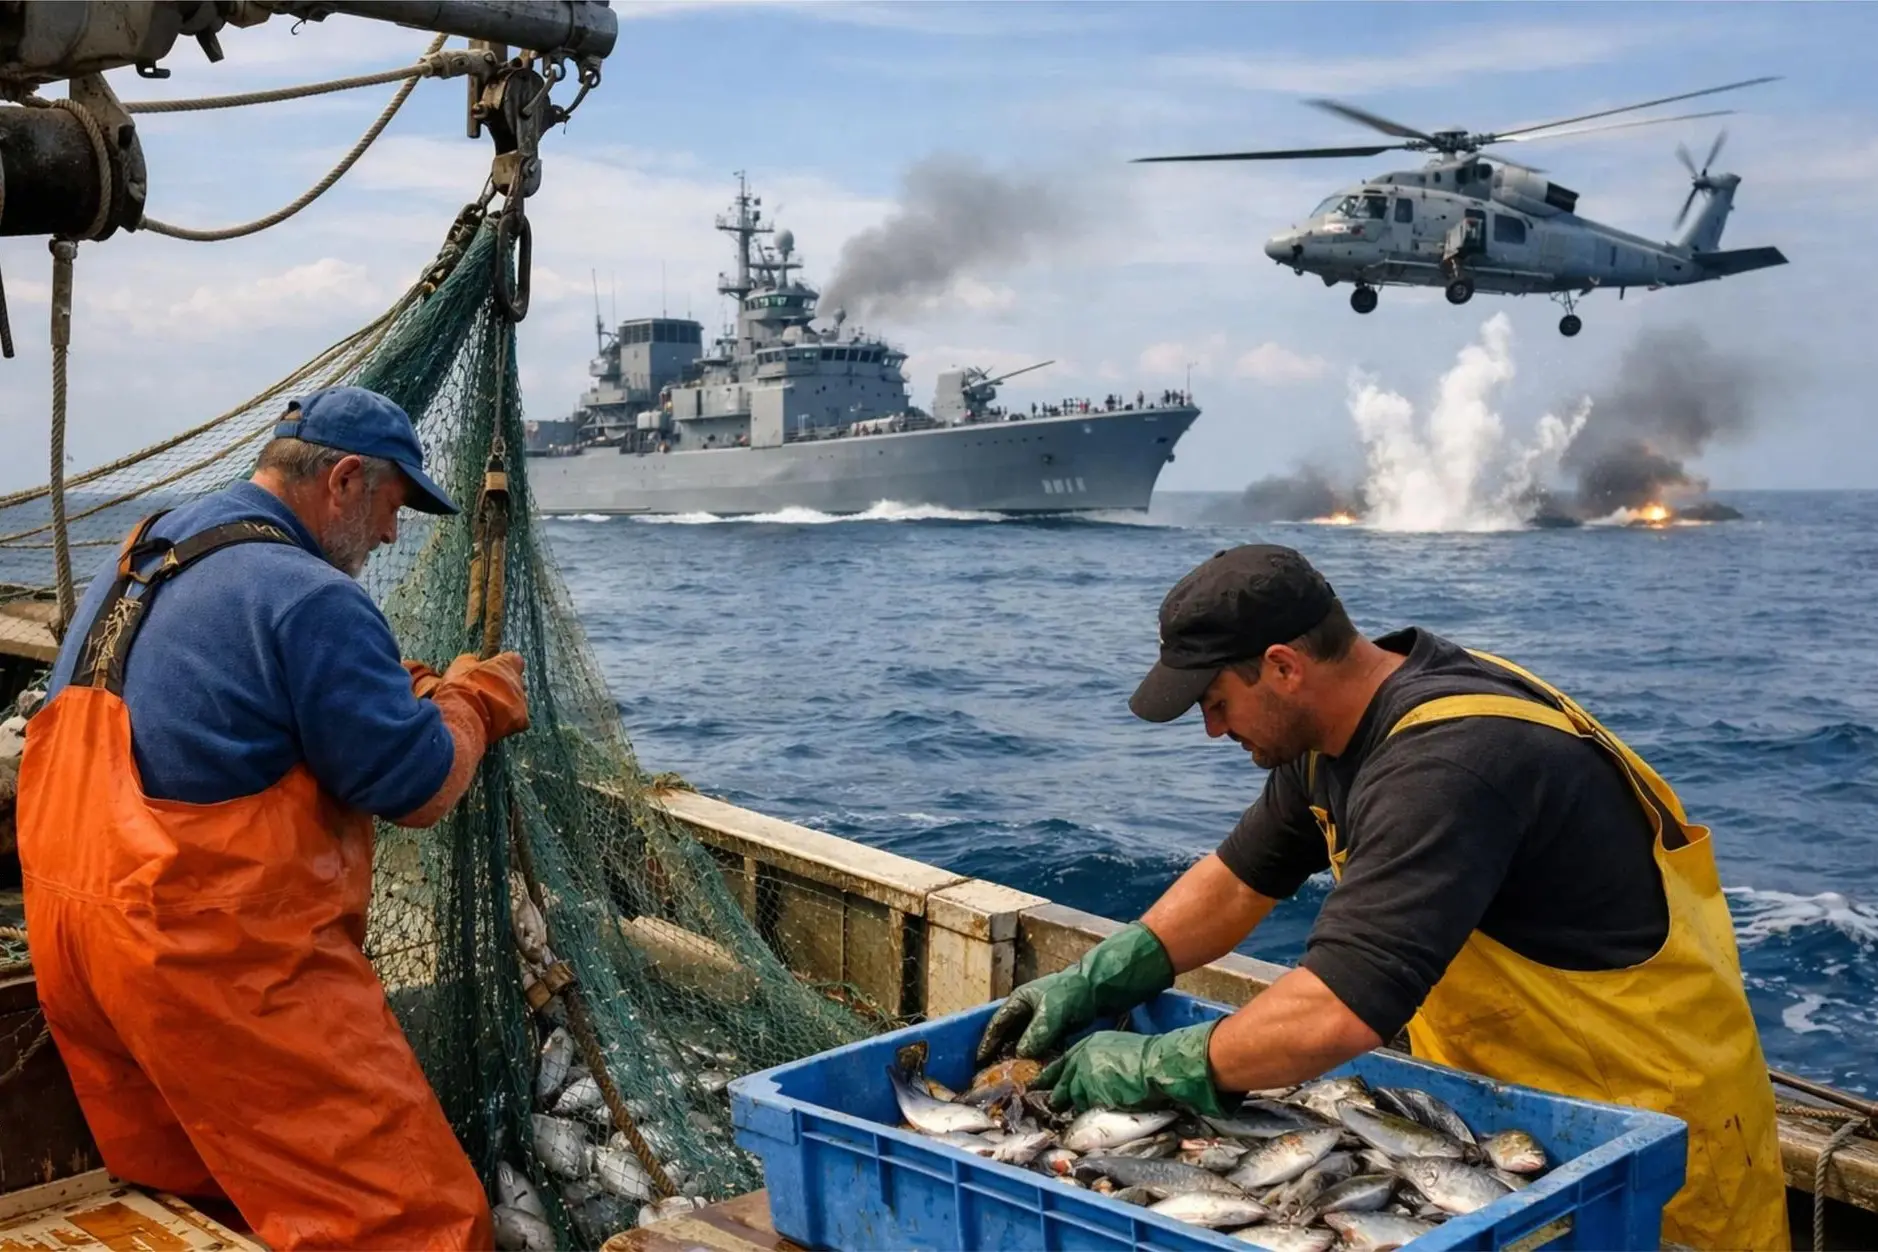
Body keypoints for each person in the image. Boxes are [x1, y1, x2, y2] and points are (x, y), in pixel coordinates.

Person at [986, 543, 1787, 1251]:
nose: (1210, 730)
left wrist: (1159, 1065)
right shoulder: (1335, 732)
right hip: (1503, 1128)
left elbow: (1339, 1012)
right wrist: (1107, 973)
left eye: (1216, 703)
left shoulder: (1448, 765)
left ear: (1283, 667)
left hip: (1648, 1149)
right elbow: (1237, 881)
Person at [18, 385, 530, 1250]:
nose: (389, 536)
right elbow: (418, 784)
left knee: (206, 1203)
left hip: (74, 936)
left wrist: (381, 686)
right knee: (415, 1223)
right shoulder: (309, 595)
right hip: (208, 959)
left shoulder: (155, 546)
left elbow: (225, 694)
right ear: (342, 481)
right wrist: (474, 702)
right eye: (392, 507)